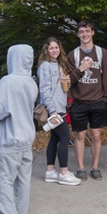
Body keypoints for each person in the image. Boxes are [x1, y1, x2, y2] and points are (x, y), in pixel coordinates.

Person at [0, 44, 39, 214]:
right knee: (23, 179)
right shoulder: (31, 82)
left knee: (4, 180)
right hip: (26, 138)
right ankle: (20, 213)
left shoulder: (8, 82)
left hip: (9, 138)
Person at [67, 20, 107, 182]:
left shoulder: (102, 53)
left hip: (98, 101)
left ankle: (95, 167)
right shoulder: (73, 55)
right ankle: (80, 168)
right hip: (79, 101)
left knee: (96, 135)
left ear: (93, 32)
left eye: (87, 31)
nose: (84, 34)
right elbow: (69, 80)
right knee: (79, 135)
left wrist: (106, 98)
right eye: (81, 32)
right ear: (78, 34)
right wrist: (81, 69)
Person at [37, 37, 80, 186]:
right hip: (53, 109)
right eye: (51, 48)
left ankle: (50, 171)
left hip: (60, 107)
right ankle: (63, 173)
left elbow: (61, 88)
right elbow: (44, 90)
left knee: (54, 139)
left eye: (56, 47)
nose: (54, 50)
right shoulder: (45, 66)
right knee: (64, 137)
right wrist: (53, 111)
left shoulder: (60, 64)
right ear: (46, 50)